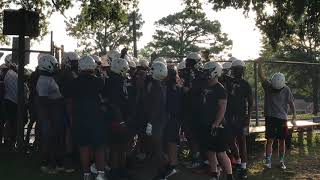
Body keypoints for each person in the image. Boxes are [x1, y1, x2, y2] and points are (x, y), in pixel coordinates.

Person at [68, 55, 107, 180]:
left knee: (84, 147)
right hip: (96, 118)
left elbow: (70, 101)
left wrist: (72, 117)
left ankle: (86, 174)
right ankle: (100, 174)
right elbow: (104, 100)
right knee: (99, 147)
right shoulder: (99, 81)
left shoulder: (74, 82)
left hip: (80, 117)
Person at [257, 59, 296, 170]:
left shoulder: (287, 89)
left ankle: (281, 161)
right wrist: (259, 64)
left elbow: (291, 104)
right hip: (270, 118)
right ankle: (268, 161)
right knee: (269, 140)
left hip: (282, 119)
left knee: (282, 140)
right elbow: (261, 76)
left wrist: (294, 116)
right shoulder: (268, 86)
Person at [201, 61, 233, 180]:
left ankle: (229, 176)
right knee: (210, 151)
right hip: (207, 123)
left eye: (207, 71)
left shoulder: (220, 88)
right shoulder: (206, 86)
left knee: (220, 152)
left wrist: (216, 123)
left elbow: (222, 108)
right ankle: (214, 174)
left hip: (218, 125)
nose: (205, 74)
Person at [224, 59, 253, 179]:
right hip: (228, 116)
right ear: (233, 70)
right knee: (230, 140)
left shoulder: (246, 84)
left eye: (241, 69)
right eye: (237, 69)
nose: (239, 71)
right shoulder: (226, 81)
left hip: (240, 116)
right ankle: (237, 160)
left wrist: (248, 117)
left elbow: (250, 102)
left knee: (241, 141)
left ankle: (244, 167)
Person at [102, 57, 130, 179]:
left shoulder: (113, 79)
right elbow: (114, 103)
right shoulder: (115, 81)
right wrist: (121, 121)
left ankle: (120, 171)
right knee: (117, 147)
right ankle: (117, 172)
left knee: (119, 147)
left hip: (115, 118)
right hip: (116, 119)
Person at [36, 55, 64, 174]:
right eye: (54, 64)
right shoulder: (43, 80)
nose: (56, 66)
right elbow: (42, 100)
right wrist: (58, 100)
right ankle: (45, 164)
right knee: (48, 139)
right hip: (48, 114)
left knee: (56, 139)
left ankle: (57, 163)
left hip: (53, 112)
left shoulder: (48, 78)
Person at [144, 61, 168, 180]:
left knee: (158, 147)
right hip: (158, 119)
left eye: (153, 70)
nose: (150, 71)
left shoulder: (157, 86)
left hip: (156, 121)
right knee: (157, 147)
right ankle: (164, 169)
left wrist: (150, 122)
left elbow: (155, 106)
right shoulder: (158, 84)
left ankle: (162, 173)